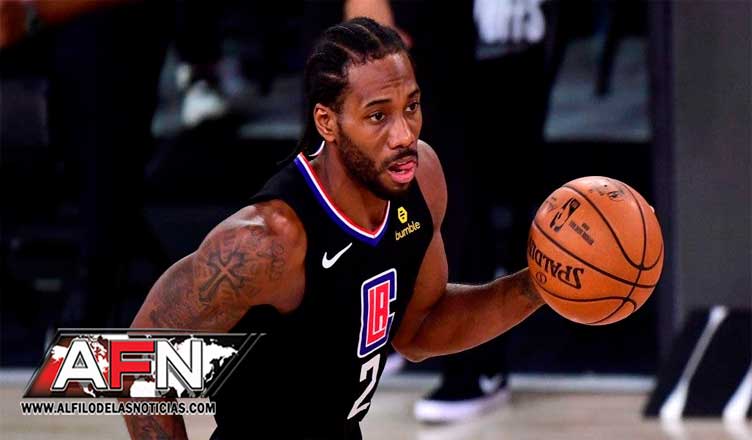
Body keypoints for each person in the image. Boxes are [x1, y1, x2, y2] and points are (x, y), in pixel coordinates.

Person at [123, 17, 543, 439]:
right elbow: (135, 361)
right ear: (327, 122)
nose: (403, 134)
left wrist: (538, 286)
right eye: (378, 115)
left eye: (411, 107)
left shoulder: (422, 180)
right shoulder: (268, 241)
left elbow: (421, 329)